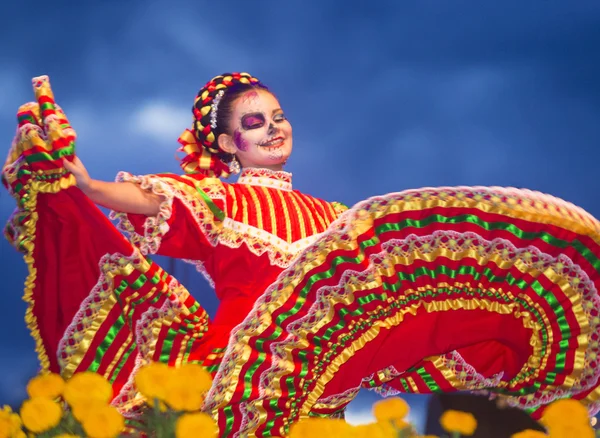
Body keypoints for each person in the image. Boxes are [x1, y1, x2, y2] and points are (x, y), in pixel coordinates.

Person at [4, 73, 600, 437]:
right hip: (237, 382)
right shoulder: (214, 199)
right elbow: (151, 199)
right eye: (255, 122)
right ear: (225, 142)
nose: (274, 129)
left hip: (320, 397)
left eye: (280, 117)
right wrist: (86, 185)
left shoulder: (340, 221)